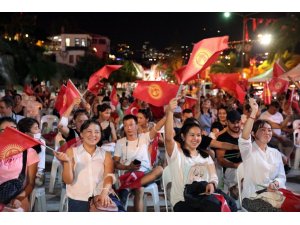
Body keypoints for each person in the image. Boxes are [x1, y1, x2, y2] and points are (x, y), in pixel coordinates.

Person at [164, 98, 236, 212]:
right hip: (183, 200)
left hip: (205, 198)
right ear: (183, 136)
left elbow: (213, 176)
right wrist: (170, 112)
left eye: (198, 135)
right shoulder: (177, 154)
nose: (195, 138)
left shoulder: (206, 156)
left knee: (231, 205)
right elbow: (168, 138)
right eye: (191, 135)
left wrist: (212, 184)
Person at [54, 119, 118, 212]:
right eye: (89, 131)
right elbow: (68, 180)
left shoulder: (106, 154)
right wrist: (67, 162)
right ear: (81, 134)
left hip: (100, 198)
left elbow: (109, 176)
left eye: (97, 132)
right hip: (78, 199)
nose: (93, 135)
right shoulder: (72, 152)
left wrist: (104, 193)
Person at [238, 98, 286, 211]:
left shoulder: (275, 153)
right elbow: (244, 137)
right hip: (252, 197)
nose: (267, 133)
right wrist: (254, 112)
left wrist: (275, 183)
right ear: (254, 134)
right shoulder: (248, 151)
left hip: (274, 196)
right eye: (263, 130)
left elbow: (281, 176)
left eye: (269, 130)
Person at [113, 114, 164, 212]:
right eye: (126, 125)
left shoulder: (144, 137)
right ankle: (130, 186)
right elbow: (115, 163)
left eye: (131, 125)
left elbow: (157, 127)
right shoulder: (120, 142)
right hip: (129, 174)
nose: (129, 128)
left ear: (137, 125)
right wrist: (128, 167)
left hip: (146, 173)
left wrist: (167, 114)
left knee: (160, 169)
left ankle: (127, 188)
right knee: (139, 189)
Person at [0, 117, 39, 212]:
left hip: (17, 196)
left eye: (13, 129)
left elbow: (31, 183)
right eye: (4, 130)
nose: (9, 133)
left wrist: (18, 198)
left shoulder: (29, 152)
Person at [17, 118, 46, 187]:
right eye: (36, 128)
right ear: (26, 133)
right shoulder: (17, 145)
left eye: (38, 127)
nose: (39, 130)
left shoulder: (41, 142)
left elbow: (39, 167)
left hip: (37, 173)